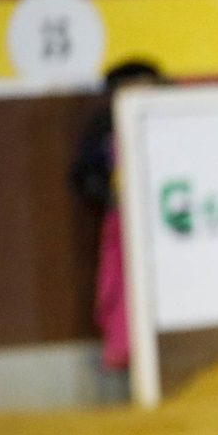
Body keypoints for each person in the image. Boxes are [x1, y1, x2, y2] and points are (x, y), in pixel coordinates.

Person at [70, 60, 167, 384]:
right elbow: (83, 175)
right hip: (123, 225)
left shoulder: (170, 116)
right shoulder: (105, 124)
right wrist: (111, 199)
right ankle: (129, 368)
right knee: (121, 294)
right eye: (133, 83)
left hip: (166, 224)